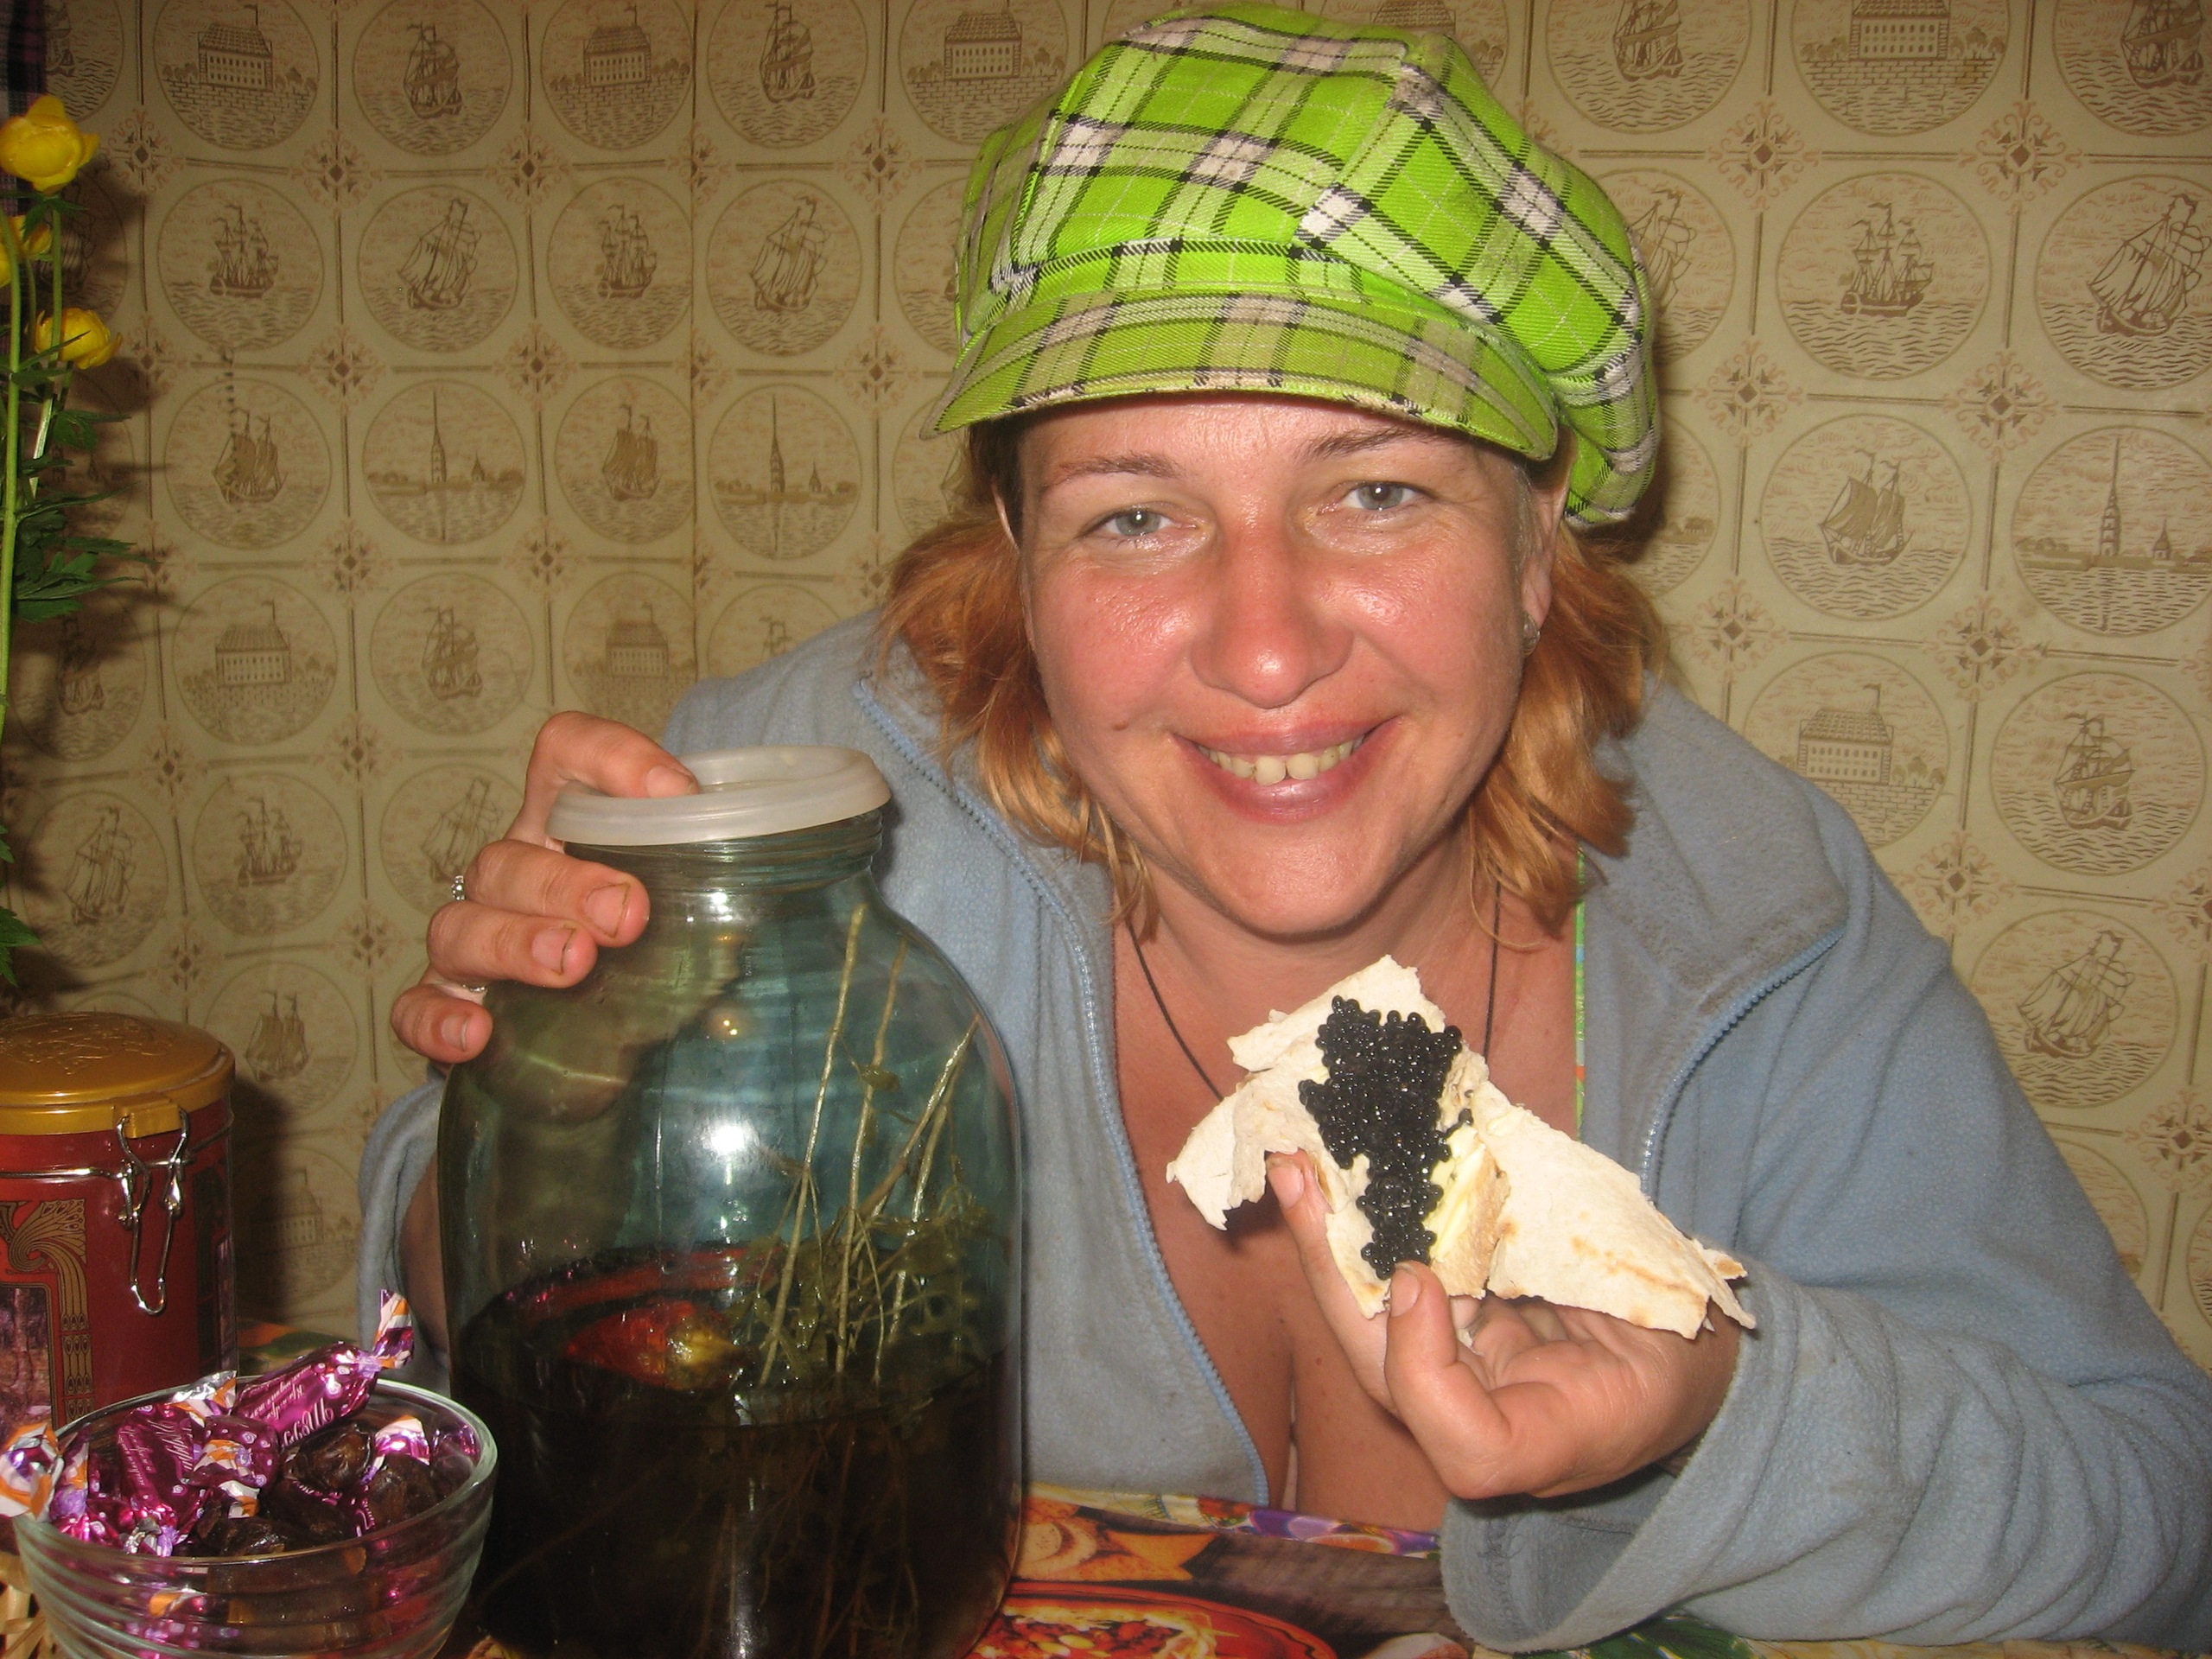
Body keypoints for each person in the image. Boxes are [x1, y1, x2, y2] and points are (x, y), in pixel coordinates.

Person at [360, 6, 2212, 1647]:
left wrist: (1723, 1402)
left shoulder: (1749, 922)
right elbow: (444, 1363)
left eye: (1376, 490)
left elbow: (2154, 1524)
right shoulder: (789, 826)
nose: (1264, 650)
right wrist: (554, 1116)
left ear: (1540, 534)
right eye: (1134, 514)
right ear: (1014, 550)